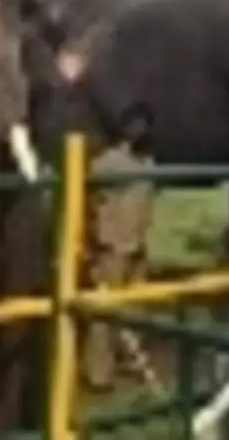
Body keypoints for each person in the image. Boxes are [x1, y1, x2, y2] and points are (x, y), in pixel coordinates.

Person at [81, 144, 157, 392]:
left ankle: (131, 360)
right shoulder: (107, 162)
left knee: (136, 307)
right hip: (111, 243)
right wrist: (93, 237)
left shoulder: (149, 160)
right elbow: (88, 196)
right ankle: (98, 374)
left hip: (138, 243)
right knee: (103, 310)